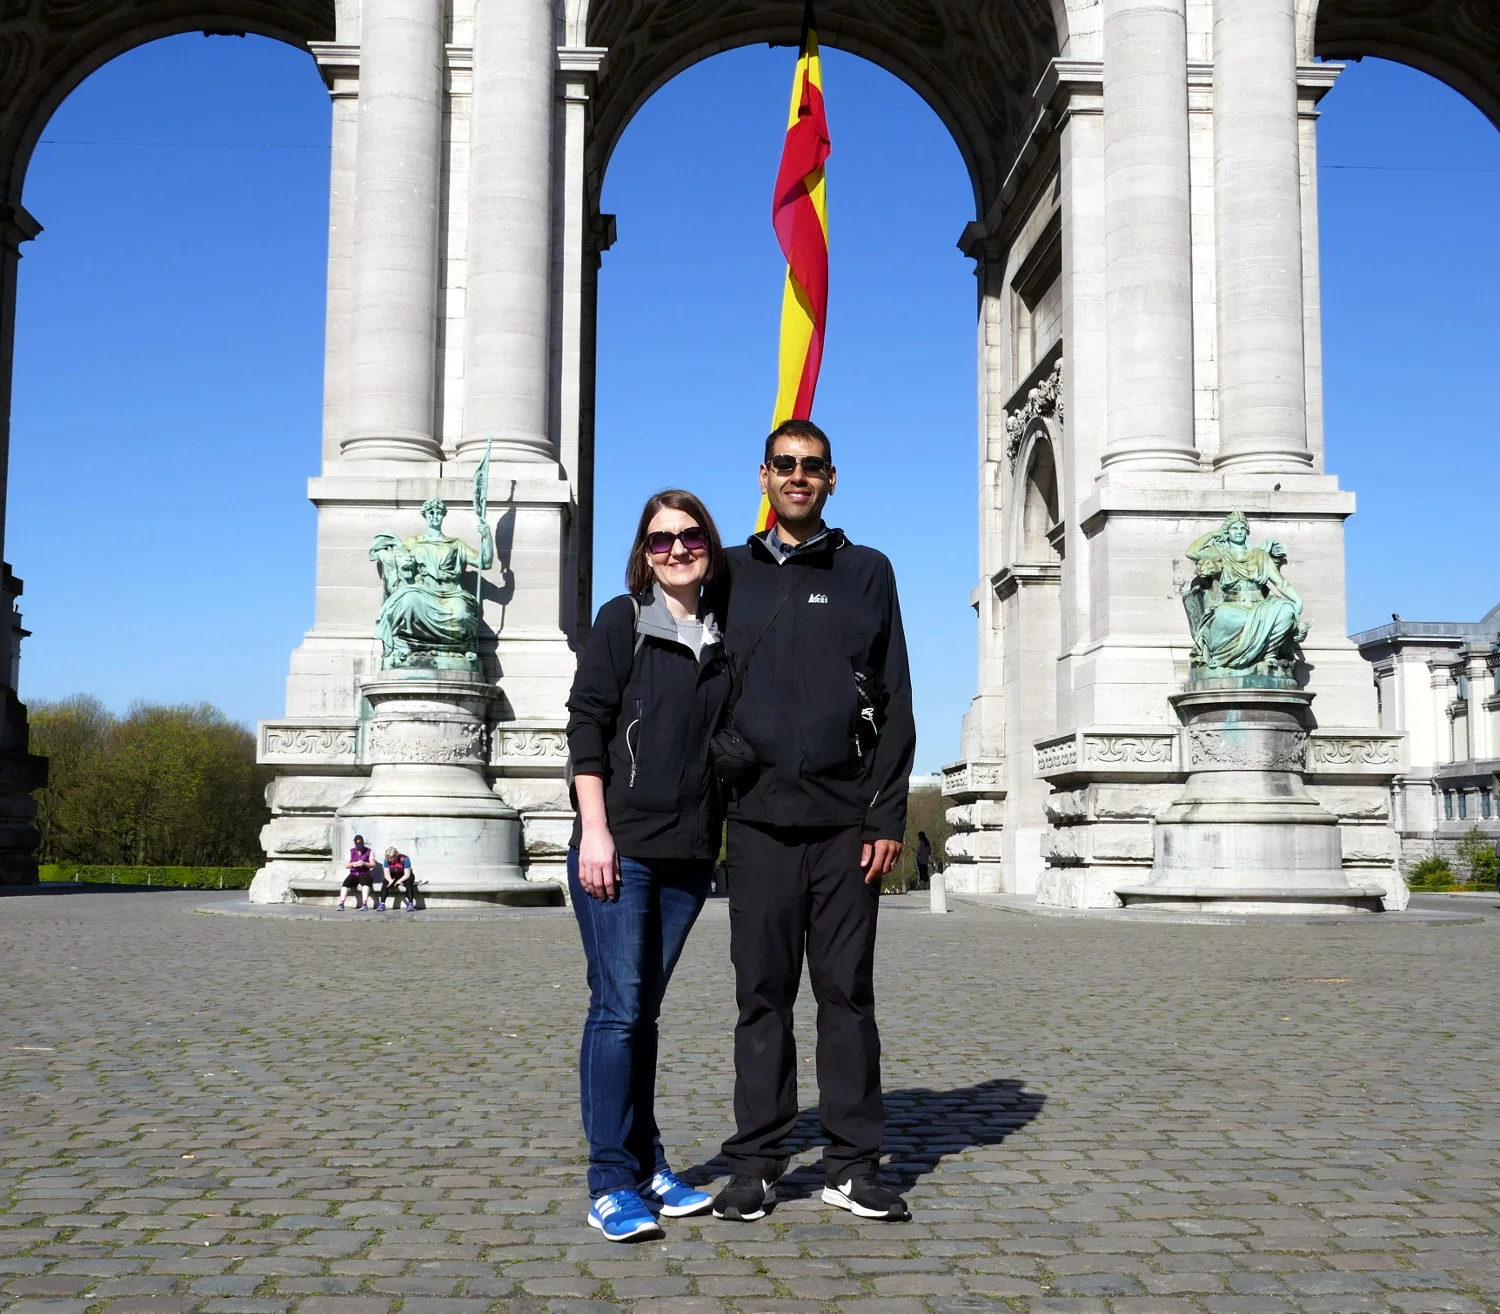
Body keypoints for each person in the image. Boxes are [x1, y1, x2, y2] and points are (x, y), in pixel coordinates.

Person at [712, 418, 916, 1224]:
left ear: (834, 479)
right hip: (755, 822)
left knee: (847, 997)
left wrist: (887, 812)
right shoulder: (724, 573)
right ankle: (757, 1163)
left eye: (813, 466)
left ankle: (853, 1163)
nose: (798, 476)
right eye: (785, 465)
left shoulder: (868, 571)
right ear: (762, 475)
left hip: (844, 825)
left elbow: (895, 697)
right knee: (760, 999)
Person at [564, 489, 732, 1242]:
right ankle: (609, 1180)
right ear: (644, 552)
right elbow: (588, 725)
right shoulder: (621, 621)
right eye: (661, 540)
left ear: (710, 543)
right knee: (620, 1009)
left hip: (690, 855)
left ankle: (647, 1161)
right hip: (619, 849)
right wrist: (593, 830)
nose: (676, 550)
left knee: (643, 1015)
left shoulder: (729, 636)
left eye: (689, 536)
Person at [338, 835, 379, 911]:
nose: (359, 846)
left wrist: (364, 863)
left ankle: (364, 904)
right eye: (357, 844)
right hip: (354, 873)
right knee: (345, 884)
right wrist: (353, 864)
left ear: (363, 843)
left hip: (364, 873)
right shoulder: (351, 851)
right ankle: (341, 903)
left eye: (360, 844)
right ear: (355, 843)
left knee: (366, 884)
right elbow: (347, 865)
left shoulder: (369, 851)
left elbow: (373, 864)